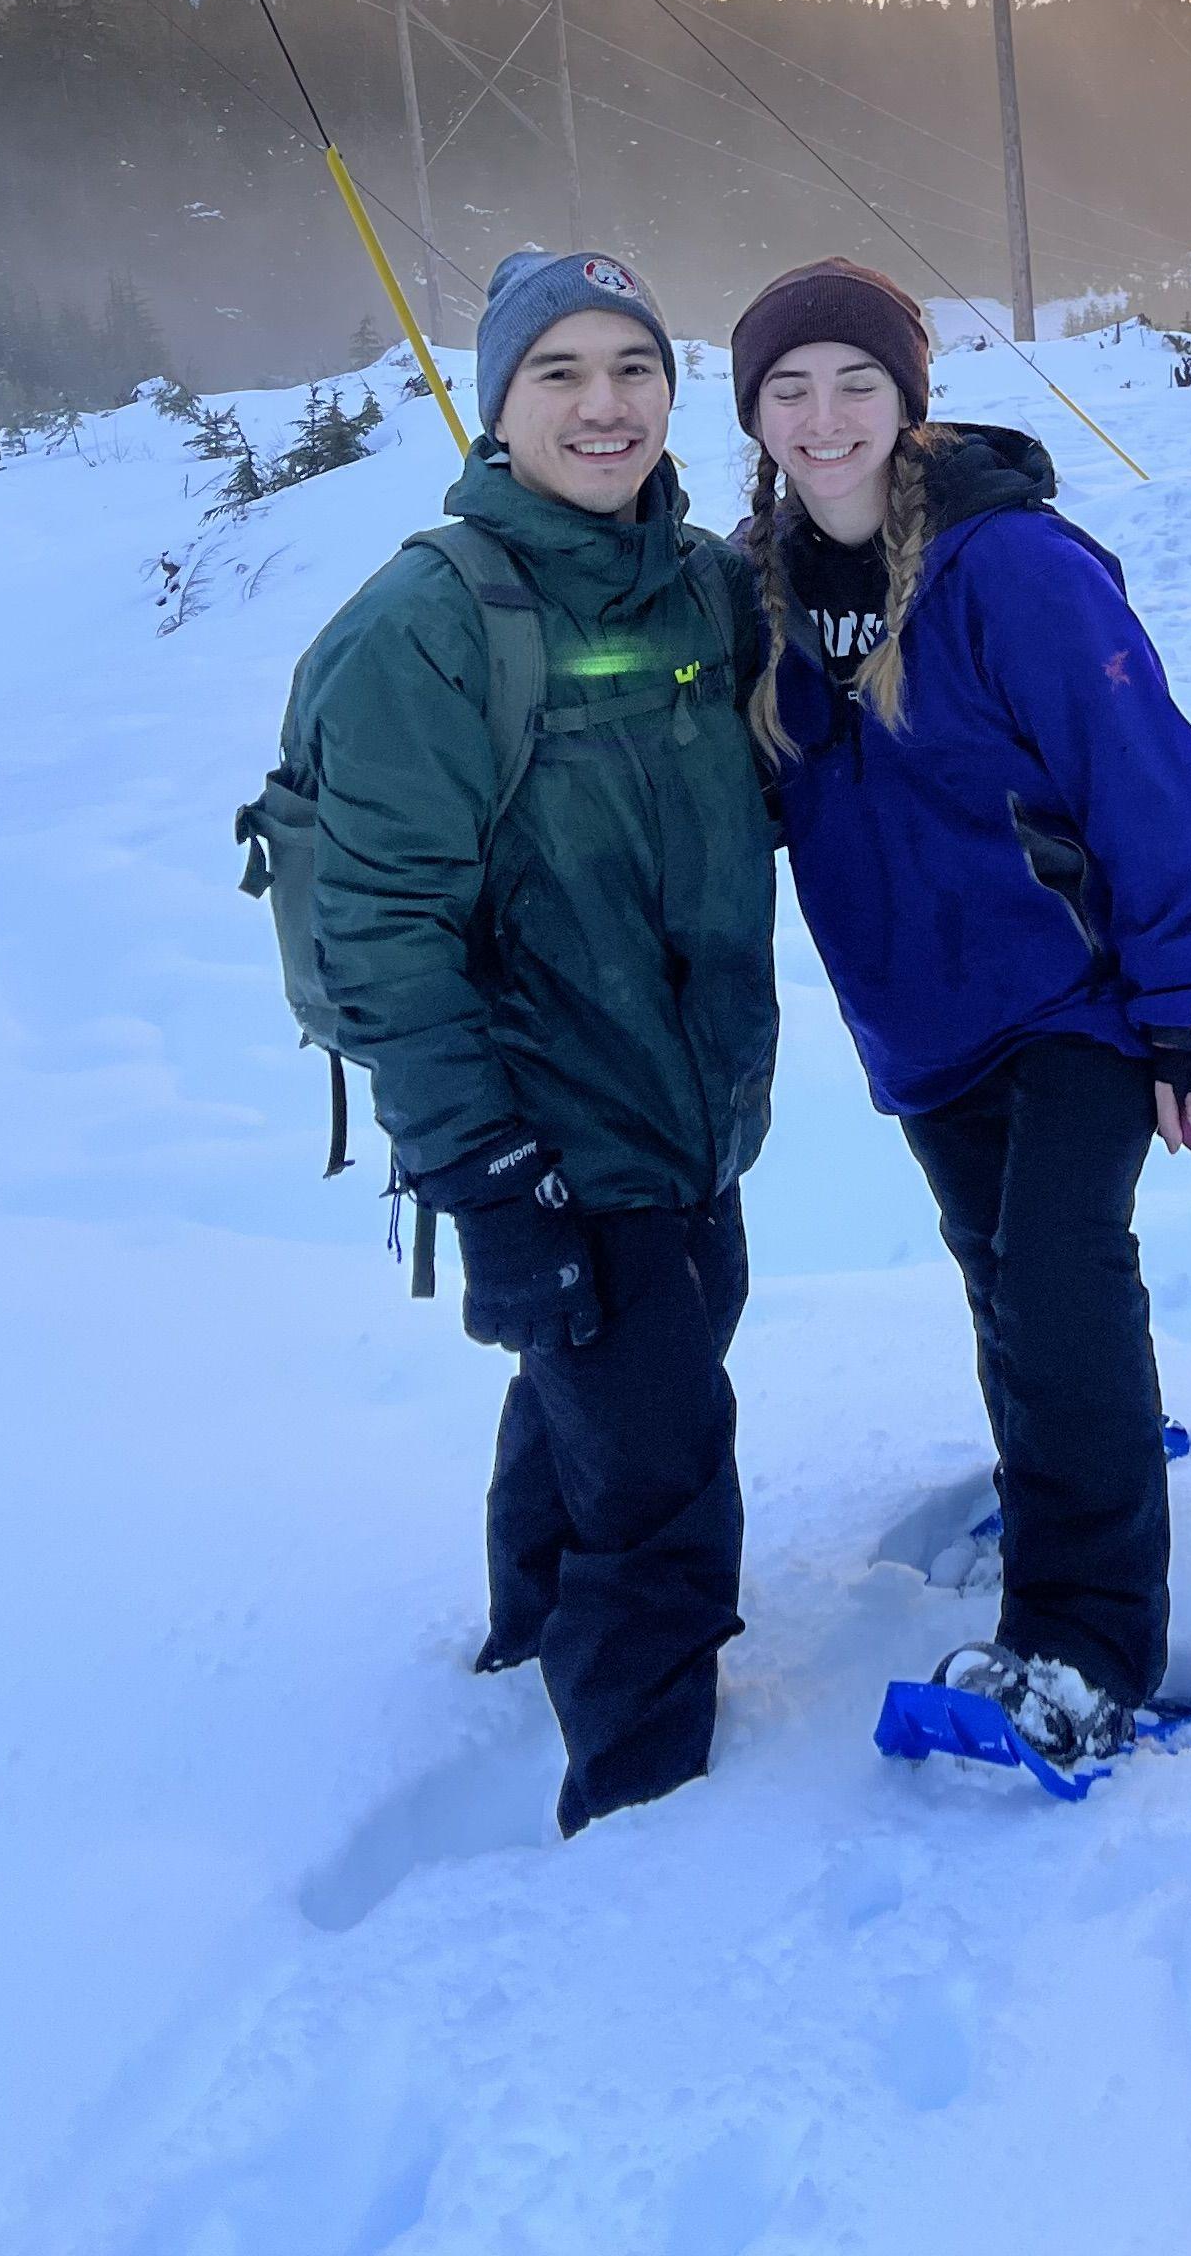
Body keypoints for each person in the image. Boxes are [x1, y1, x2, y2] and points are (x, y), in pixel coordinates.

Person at [726, 257, 1191, 1771]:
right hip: (921, 1018)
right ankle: (1064, 1473)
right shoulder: (756, 595)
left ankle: (1084, 1643)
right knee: (1002, 1271)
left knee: (1060, 1278)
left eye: (857, 385)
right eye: (789, 390)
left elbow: (1148, 780)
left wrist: (1189, 1011)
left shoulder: (1007, 568)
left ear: (910, 402)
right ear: (755, 415)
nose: (825, 420)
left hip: (1075, 995)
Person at [292, 248, 777, 1836]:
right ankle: (645, 1815)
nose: (603, 404)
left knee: (606, 1386)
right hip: (552, 1131)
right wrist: (488, 1174)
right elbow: (379, 928)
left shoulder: (703, 585)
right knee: (660, 1476)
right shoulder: (430, 630)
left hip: (691, 1107)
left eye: (632, 367)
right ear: (497, 406)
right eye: (557, 371)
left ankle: (518, 1644)